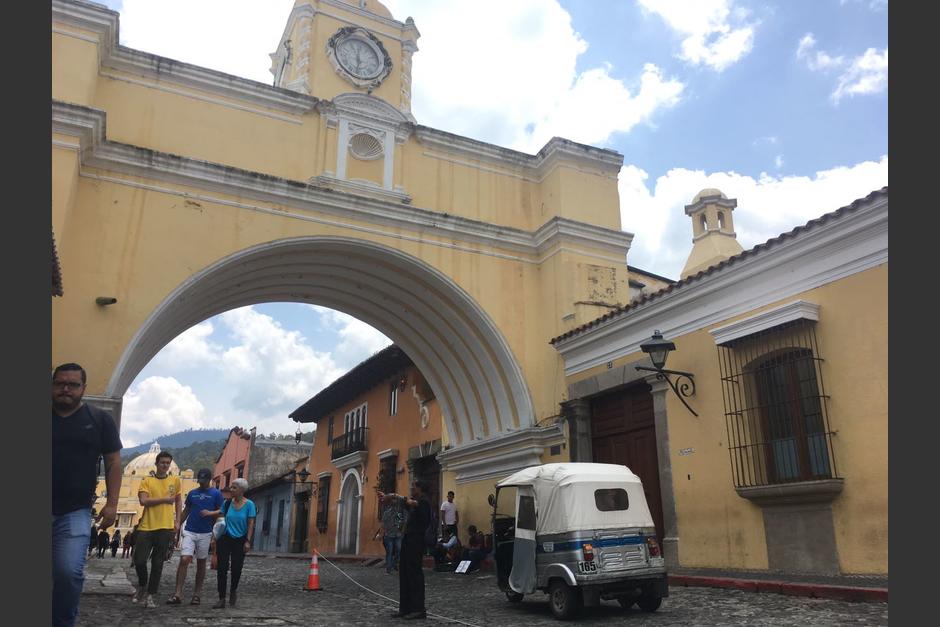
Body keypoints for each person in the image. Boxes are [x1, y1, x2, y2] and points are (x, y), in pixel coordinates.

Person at [52, 363, 123, 627]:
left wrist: (112, 504)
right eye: (60, 383)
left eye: (72, 384)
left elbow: (114, 462)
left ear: (83, 388)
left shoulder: (99, 420)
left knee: (68, 572)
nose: (66, 389)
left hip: (75, 511)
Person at [167, 468, 223, 606]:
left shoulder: (216, 494)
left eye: (204, 481)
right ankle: (178, 593)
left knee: (201, 563)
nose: (202, 483)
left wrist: (215, 535)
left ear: (209, 479)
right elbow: (187, 510)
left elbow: (221, 512)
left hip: (206, 532)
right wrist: (178, 525)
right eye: (200, 481)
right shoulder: (192, 493)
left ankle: (197, 594)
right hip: (190, 530)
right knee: (185, 559)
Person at [133, 450, 182, 608]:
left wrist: (178, 521)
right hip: (147, 526)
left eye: (168, 463)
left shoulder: (175, 481)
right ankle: (142, 584)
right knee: (139, 560)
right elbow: (143, 501)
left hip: (165, 526)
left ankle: (150, 595)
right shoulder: (147, 480)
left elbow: (178, 501)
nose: (165, 465)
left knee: (157, 563)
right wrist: (165, 499)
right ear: (156, 463)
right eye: (162, 462)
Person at [378, 480, 432, 620]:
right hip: (408, 540)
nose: (411, 489)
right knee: (405, 573)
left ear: (419, 488)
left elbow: (409, 502)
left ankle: (418, 609)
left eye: (413, 487)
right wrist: (387, 498)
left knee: (414, 574)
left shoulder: (424, 501)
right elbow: (402, 504)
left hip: (417, 541)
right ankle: (405, 608)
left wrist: (394, 494)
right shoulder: (414, 502)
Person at [213, 478, 256, 609]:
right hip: (225, 537)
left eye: (234, 488)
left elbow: (250, 523)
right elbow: (220, 519)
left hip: (240, 540)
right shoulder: (226, 504)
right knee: (222, 568)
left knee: (237, 568)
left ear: (242, 490)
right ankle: (221, 598)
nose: (230, 490)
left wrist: (248, 541)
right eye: (231, 487)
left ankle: (233, 590)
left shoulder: (249, 505)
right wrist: (215, 537)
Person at [374, 492, 406, 574]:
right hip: (389, 535)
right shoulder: (386, 512)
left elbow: (402, 522)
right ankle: (389, 569)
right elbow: (383, 524)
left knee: (399, 550)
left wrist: (402, 530)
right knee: (390, 552)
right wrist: (381, 534)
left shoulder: (400, 511)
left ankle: (394, 563)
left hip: (398, 534)